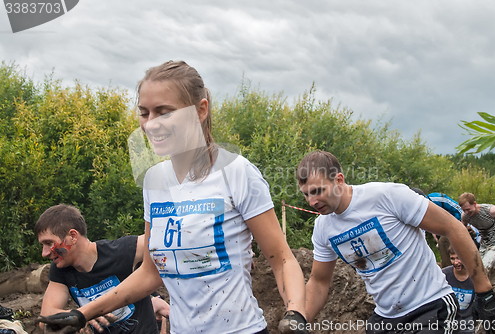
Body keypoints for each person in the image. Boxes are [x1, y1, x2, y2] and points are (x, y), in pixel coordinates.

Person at [39, 60, 307, 334]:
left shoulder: (237, 172)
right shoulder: (154, 180)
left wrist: (295, 312)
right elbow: (149, 273)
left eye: (164, 112)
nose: (151, 124)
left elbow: (282, 259)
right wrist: (82, 315)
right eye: (144, 113)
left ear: (200, 110)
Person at [297, 150, 495, 333]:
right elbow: (319, 281)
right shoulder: (323, 228)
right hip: (386, 317)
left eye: (318, 191)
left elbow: (453, 227)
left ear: (339, 180)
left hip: (431, 306)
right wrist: (300, 321)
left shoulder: (386, 196)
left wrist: (484, 291)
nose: (312, 202)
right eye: (306, 194)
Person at [35, 204, 167, 334]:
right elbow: (46, 317)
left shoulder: (122, 251)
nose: (44, 253)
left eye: (49, 243)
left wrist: (156, 300)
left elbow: (162, 241)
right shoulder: (61, 269)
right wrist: (80, 316)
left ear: (73, 236)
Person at [411, 188, 480, 267]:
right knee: (443, 244)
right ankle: (449, 268)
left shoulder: (437, 199)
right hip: (442, 231)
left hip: (459, 223)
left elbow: (458, 208)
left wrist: (465, 225)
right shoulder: (417, 212)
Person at [459, 192, 495, 276]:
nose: (466, 212)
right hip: (484, 244)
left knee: (484, 268)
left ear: (474, 203)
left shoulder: (491, 210)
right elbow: (462, 229)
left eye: (468, 209)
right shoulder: (465, 216)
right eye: (464, 210)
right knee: (477, 269)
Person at [442, 246, 475, 334]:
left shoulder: (474, 277)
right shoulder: (444, 275)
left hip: (466, 323)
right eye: (452, 258)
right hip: (447, 320)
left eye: (459, 258)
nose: (456, 262)